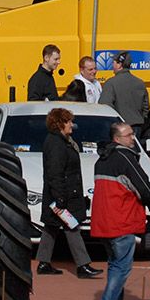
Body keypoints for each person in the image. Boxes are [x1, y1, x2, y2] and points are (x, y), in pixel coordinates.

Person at [92, 122, 150, 300]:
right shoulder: (125, 158)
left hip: (104, 221)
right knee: (122, 266)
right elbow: (144, 187)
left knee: (115, 265)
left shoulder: (102, 160)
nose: (133, 138)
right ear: (117, 139)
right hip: (121, 220)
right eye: (129, 135)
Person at [34, 108, 101, 278]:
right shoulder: (57, 144)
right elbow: (55, 173)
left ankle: (43, 262)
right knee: (72, 227)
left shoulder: (61, 141)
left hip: (60, 195)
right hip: (62, 196)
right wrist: (61, 198)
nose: (72, 124)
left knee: (51, 227)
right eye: (69, 121)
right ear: (60, 123)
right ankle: (83, 265)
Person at [99, 51, 150, 135]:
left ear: (119, 65)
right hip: (137, 127)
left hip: (120, 129)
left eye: (114, 63)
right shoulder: (140, 82)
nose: (112, 65)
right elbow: (146, 106)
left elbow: (105, 106)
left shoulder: (111, 83)